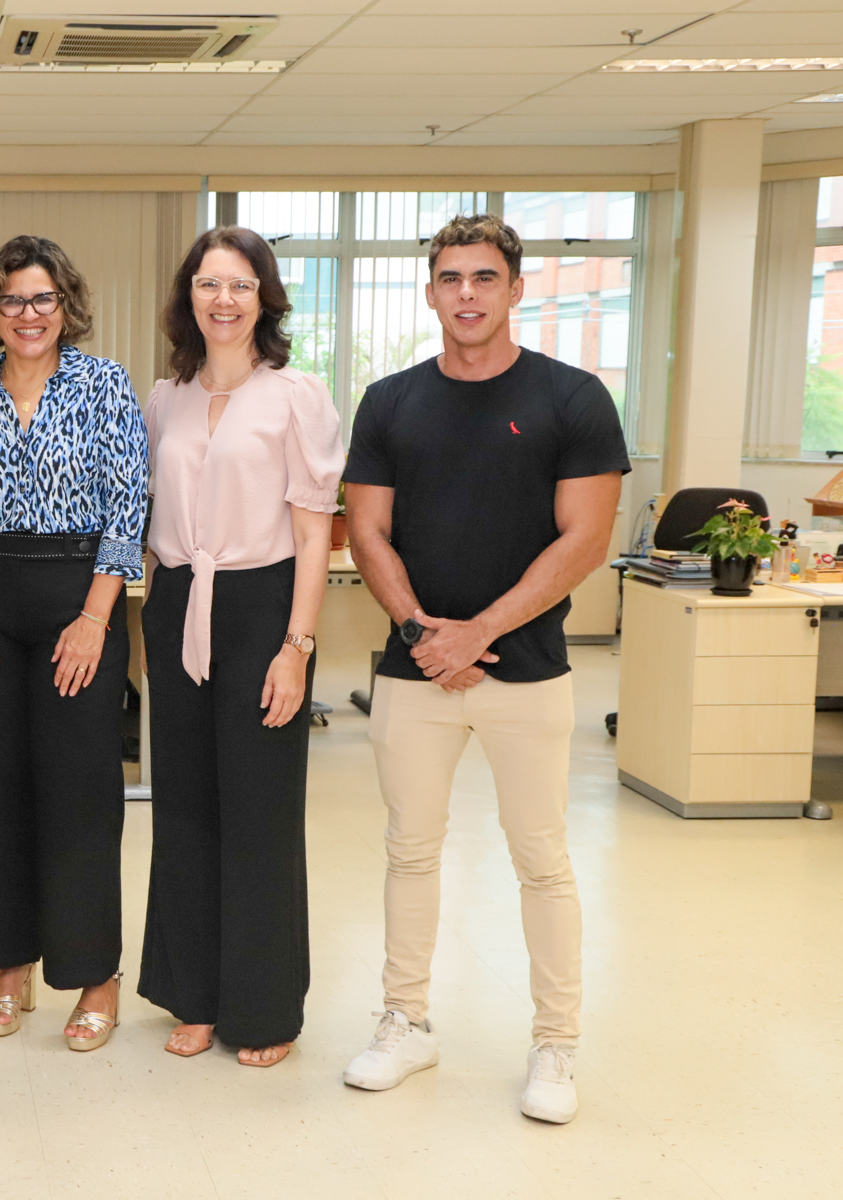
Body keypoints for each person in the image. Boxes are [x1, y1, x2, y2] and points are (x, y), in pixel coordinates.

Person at [340, 214, 628, 1124]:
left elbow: (585, 539)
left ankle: (556, 1043)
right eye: (450, 278)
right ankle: (406, 1021)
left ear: (514, 288)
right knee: (410, 851)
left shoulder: (573, 398)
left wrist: (480, 633)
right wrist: (429, 631)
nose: (467, 293)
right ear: (430, 293)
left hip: (529, 671)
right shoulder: (389, 402)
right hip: (412, 669)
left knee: (541, 859)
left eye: (484, 277)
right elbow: (366, 530)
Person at [0, 234, 148, 1051]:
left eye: (43, 299)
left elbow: (127, 511)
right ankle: (9, 964)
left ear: (66, 307)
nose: (29, 314)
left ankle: (96, 977)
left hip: (75, 605)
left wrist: (94, 619)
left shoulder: (104, 385)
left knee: (81, 795)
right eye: (13, 300)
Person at [138, 227, 344, 1067]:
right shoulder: (164, 396)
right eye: (208, 285)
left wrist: (297, 647)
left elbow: (314, 532)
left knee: (258, 814)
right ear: (188, 297)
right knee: (183, 807)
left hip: (263, 609)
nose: (223, 300)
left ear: (265, 297)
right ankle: (194, 995)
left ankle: (263, 1011)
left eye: (240, 285)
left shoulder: (296, 395)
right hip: (178, 598)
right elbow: (148, 525)